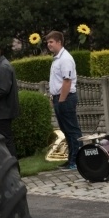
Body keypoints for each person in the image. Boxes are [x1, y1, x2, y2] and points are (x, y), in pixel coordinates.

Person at [46, 31, 83, 171]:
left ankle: (77, 160)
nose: (49, 45)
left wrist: (61, 101)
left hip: (66, 98)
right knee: (66, 130)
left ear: (59, 42)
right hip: (58, 98)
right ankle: (71, 158)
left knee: (72, 129)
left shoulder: (65, 59)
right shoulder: (56, 59)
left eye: (51, 42)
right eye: (48, 42)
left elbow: (67, 82)